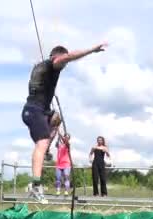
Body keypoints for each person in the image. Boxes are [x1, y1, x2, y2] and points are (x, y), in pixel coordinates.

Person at [22, 43, 108, 203]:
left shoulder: (42, 67)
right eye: (63, 63)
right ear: (56, 58)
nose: (64, 66)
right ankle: (36, 185)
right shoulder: (52, 64)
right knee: (41, 143)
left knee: (56, 119)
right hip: (35, 111)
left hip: (40, 111)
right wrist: (91, 49)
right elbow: (67, 57)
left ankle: (46, 149)